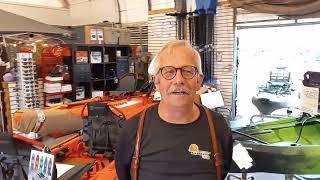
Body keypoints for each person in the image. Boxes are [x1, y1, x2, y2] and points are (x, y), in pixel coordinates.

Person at [115, 40, 233, 180]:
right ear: (157, 81)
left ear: (199, 81)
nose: (178, 80)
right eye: (169, 72)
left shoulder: (218, 127)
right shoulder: (133, 129)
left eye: (188, 71)